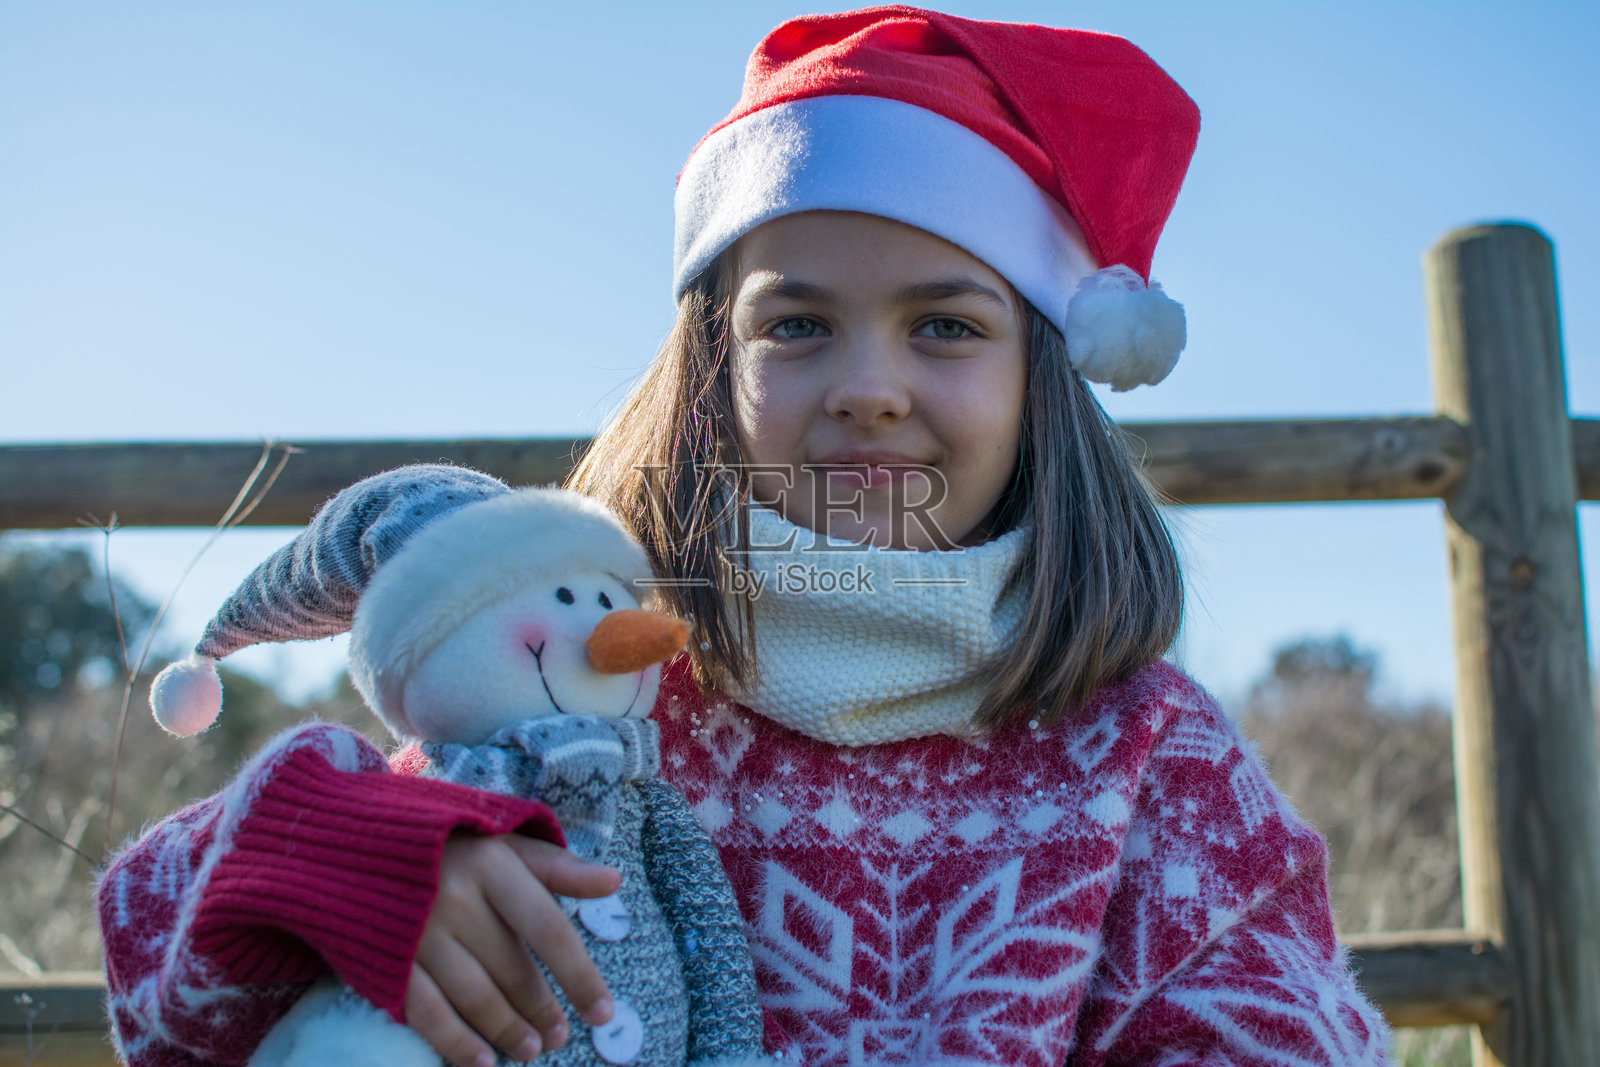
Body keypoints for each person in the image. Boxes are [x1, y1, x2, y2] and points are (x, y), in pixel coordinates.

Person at [97, 7, 1391, 1066]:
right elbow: (158, 960)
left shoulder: (1140, 756)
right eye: (797, 326)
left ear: (1043, 379)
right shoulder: (585, 680)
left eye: (947, 325)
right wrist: (354, 865)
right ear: (708, 374)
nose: (869, 385)